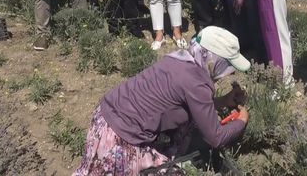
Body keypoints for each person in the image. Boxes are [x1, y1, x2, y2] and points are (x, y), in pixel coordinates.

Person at [74, 26, 250, 176]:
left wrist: (225, 101)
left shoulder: (181, 58)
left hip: (105, 119)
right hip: (120, 139)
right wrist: (241, 122)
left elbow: (194, 107)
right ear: (214, 59)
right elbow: (216, 137)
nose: (230, 72)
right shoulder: (197, 83)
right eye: (228, 66)